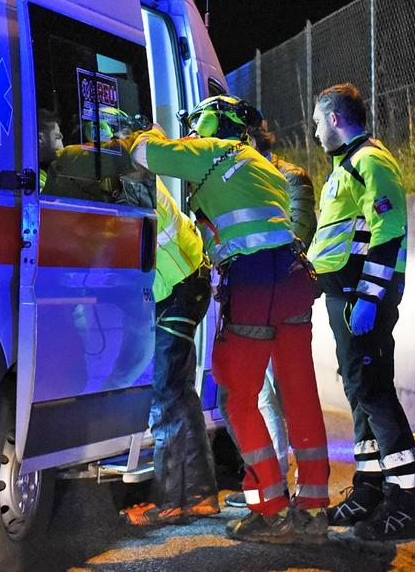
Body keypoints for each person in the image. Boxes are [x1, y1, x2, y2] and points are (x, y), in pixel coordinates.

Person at [126, 95, 330, 544]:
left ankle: (272, 510)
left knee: (238, 397)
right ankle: (314, 510)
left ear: (215, 121)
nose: (194, 131)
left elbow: (144, 153)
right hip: (294, 279)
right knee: (299, 393)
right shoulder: (261, 164)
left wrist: (146, 133)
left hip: (254, 283)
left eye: (199, 122)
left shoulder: (213, 151)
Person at [308, 83, 415, 541]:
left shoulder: (369, 161)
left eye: (317, 122)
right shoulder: (346, 167)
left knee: (374, 392)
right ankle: (369, 490)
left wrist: (370, 298)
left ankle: (405, 506)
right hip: (346, 297)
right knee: (359, 392)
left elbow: (388, 227)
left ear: (335, 118)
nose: (315, 133)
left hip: (361, 299)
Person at [219, 117, 317, 509]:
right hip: (254, 294)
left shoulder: (289, 177)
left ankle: (278, 485)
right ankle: (269, 483)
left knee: (275, 393)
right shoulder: (242, 179)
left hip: (280, 295)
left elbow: (297, 235)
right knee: (257, 394)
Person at [120, 174, 219, 525]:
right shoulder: (143, 174)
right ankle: (200, 495)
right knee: (181, 396)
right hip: (187, 285)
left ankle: (169, 501)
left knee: (165, 399)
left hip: (176, 289)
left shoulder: (129, 179)